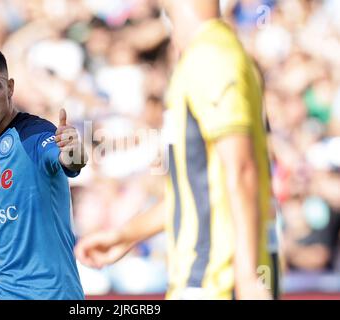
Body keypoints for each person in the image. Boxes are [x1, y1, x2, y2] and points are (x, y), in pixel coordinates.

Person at [75, 0, 278, 300]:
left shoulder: (211, 56)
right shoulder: (203, 54)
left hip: (218, 280)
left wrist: (247, 275)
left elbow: (242, 169)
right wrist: (127, 235)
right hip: (206, 280)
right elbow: (202, 188)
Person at [0, 46, 87, 300]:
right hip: (2, 290)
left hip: (51, 294)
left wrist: (73, 151)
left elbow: (69, 159)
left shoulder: (32, 134)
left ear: (10, 88)